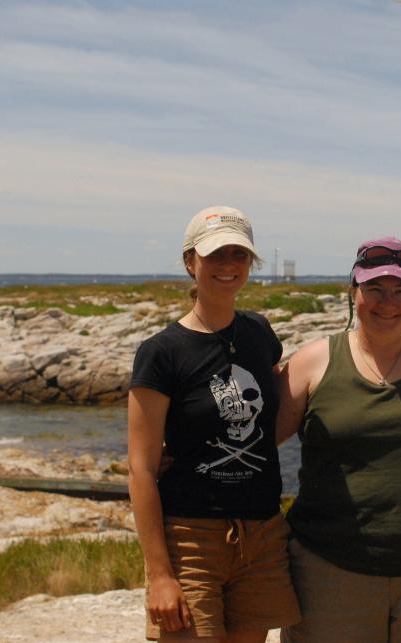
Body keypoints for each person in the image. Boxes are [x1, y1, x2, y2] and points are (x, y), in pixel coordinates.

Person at [276, 237, 401, 643]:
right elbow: (255, 447)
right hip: (329, 574)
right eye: (375, 290)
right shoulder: (313, 362)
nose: (388, 303)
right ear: (354, 290)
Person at [127, 206, 300, 642]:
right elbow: (141, 470)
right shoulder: (162, 352)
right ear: (191, 262)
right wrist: (160, 575)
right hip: (192, 539)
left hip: (261, 532)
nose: (228, 265)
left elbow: (277, 402)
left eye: (238, 255)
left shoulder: (260, 332)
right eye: (215, 255)